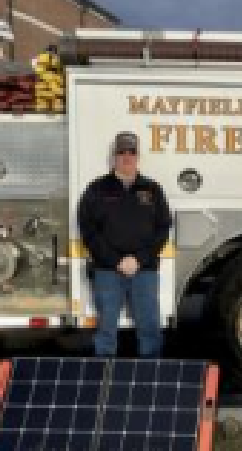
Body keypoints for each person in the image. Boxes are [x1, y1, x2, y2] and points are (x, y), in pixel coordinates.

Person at [78, 131, 172, 357]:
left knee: (150, 327)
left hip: (144, 270)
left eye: (132, 152)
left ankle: (150, 371)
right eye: (122, 152)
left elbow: (163, 228)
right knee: (106, 330)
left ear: (138, 156)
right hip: (108, 270)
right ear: (114, 156)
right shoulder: (97, 188)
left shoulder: (152, 189)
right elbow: (88, 230)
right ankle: (105, 371)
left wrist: (139, 259)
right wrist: (116, 260)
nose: (127, 156)